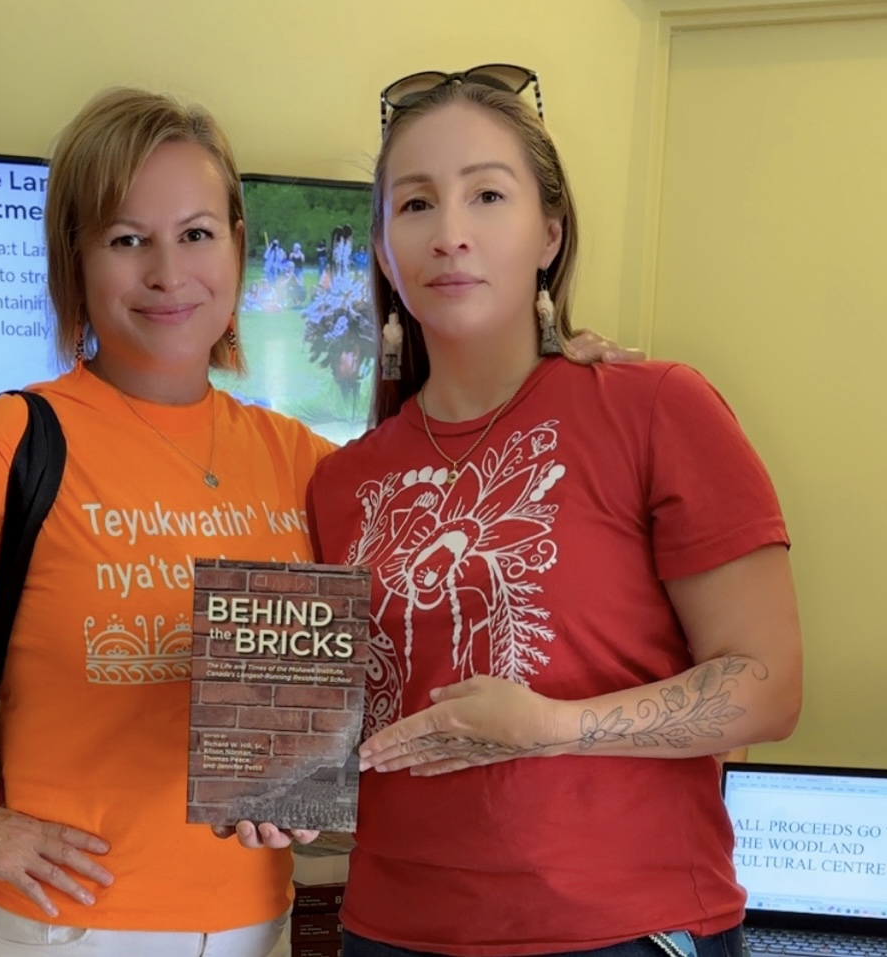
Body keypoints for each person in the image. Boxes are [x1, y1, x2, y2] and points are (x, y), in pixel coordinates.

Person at [0, 86, 637, 957]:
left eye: (196, 234)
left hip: (260, 914)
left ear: (238, 247)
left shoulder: (304, 459)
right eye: (126, 239)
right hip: (65, 925)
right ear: (76, 259)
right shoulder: (11, 439)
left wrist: (550, 374)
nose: (168, 274)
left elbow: (430, 567)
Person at [305, 73, 803, 957]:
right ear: (383, 248)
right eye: (416, 203)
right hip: (389, 930)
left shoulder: (656, 408)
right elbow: (366, 742)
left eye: (488, 194)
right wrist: (286, 798)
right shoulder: (340, 481)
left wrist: (555, 726)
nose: (451, 232)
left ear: (550, 232)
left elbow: (767, 685)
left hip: (621, 929)